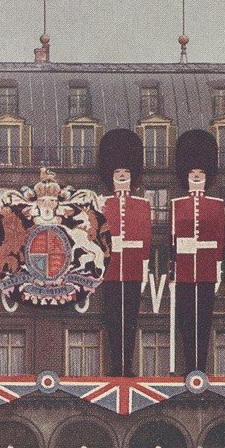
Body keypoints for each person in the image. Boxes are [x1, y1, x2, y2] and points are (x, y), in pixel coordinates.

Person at [96, 129, 151, 376]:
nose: (122, 177)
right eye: (118, 173)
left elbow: (145, 239)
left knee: (130, 322)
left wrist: (144, 269)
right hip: (109, 271)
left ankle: (126, 366)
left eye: (126, 173)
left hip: (131, 269)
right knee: (111, 321)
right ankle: (114, 366)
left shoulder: (141, 205)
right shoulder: (102, 203)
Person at [170, 129, 225, 373]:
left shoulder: (216, 205)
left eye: (200, 173)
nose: (196, 177)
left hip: (205, 271)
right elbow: (174, 241)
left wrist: (217, 267)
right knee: (185, 321)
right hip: (183, 272)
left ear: (206, 176)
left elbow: (219, 240)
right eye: (192, 173)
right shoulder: (177, 204)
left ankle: (199, 366)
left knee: (203, 321)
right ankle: (188, 365)